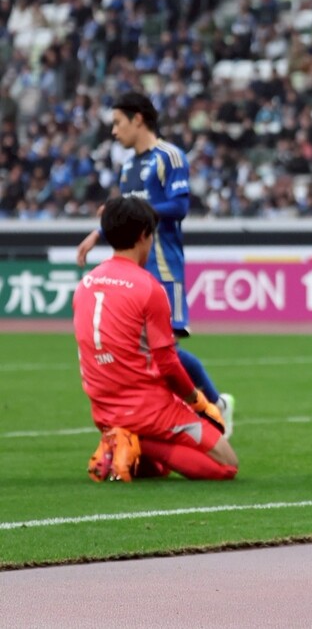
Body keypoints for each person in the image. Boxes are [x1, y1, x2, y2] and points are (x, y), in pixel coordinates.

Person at [75, 91, 234, 434]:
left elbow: (179, 207)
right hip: (133, 272)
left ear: (138, 119)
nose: (114, 131)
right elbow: (125, 219)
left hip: (163, 265)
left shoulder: (169, 156)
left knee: (166, 350)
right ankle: (172, 416)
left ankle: (216, 405)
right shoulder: (128, 168)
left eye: (118, 122)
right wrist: (98, 233)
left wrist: (135, 210)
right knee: (147, 350)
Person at [73, 197, 238, 482]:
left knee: (159, 470)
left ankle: (125, 442)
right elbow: (168, 362)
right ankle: (137, 440)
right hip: (150, 410)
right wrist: (197, 401)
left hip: (103, 410)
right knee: (226, 465)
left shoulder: (86, 283)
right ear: (143, 236)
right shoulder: (149, 287)